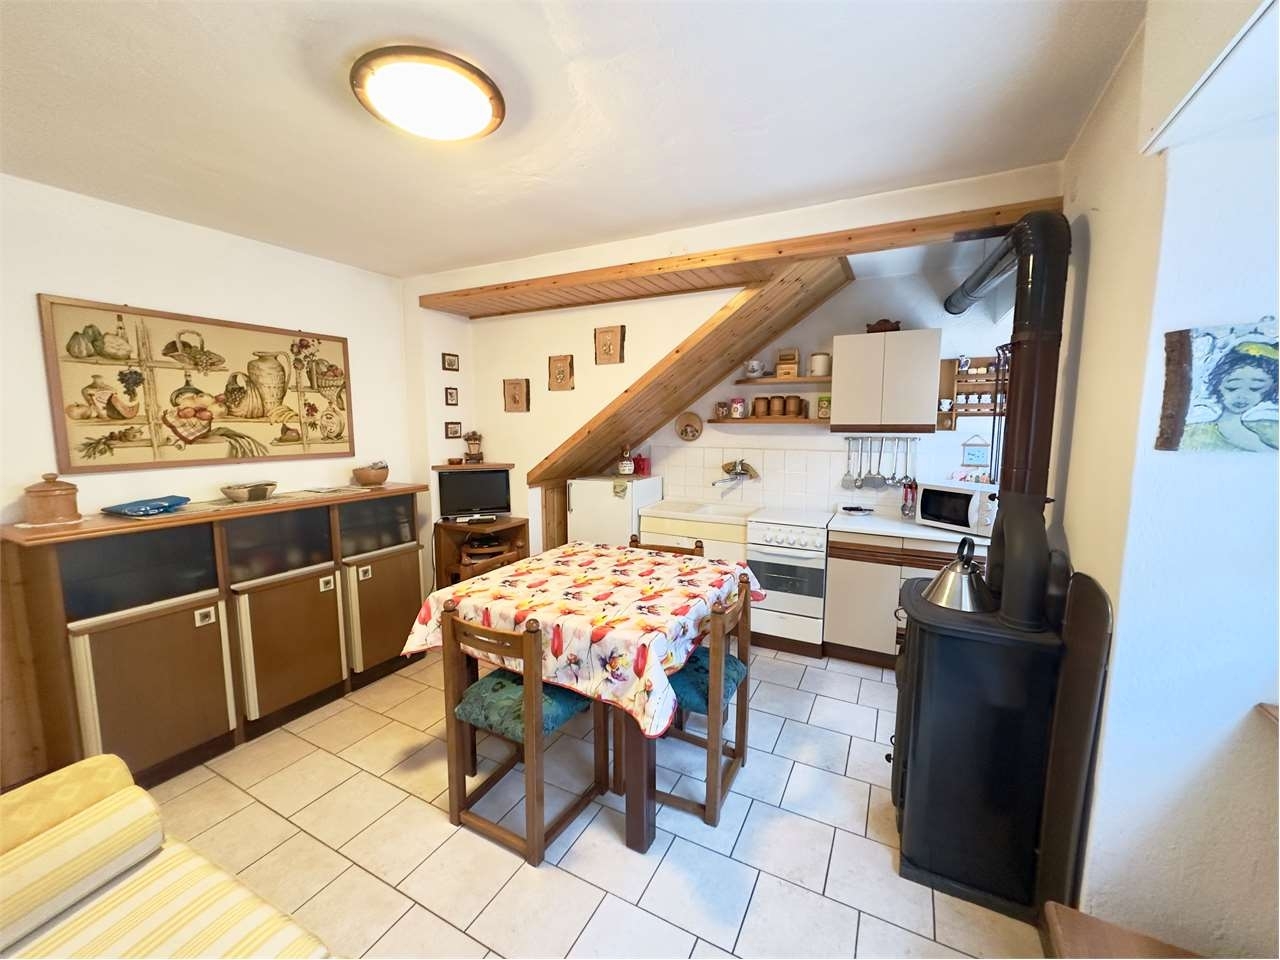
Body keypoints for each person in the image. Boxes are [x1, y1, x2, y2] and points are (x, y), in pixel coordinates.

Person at [1180, 341, 1279, 451]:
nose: (1242, 396)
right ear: (1217, 384)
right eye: (1232, 388)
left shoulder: (1271, 429)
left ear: (1270, 389)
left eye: (1255, 388)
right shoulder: (1193, 435)